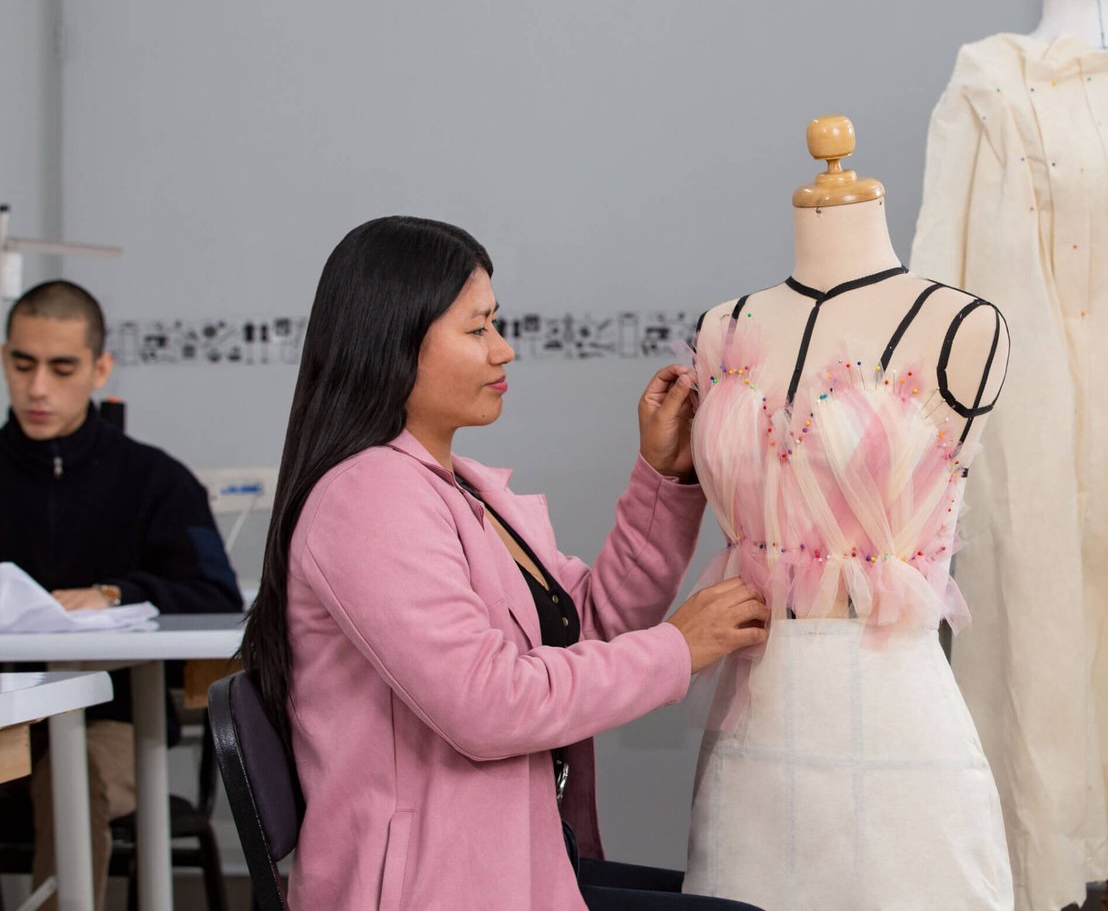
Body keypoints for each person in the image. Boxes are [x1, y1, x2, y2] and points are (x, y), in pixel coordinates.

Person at [239, 216, 768, 910]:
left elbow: (589, 623)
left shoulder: (461, 487)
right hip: (432, 888)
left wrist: (663, 478)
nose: (504, 349)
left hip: (514, 860)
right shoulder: (367, 498)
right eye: (477, 328)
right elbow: (487, 704)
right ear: (393, 341)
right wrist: (679, 647)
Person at [0, 279, 244, 911]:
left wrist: (115, 594)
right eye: (22, 364)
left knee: (73, 770)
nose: (37, 388)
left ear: (100, 369)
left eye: (62, 369)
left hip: (115, 724)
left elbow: (216, 596)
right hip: (5, 718)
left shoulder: (155, 480)